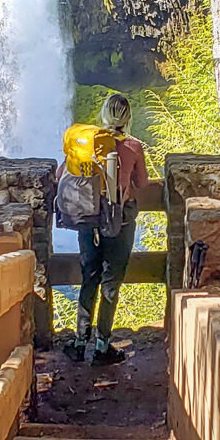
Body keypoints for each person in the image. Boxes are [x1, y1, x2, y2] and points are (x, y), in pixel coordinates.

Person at [59, 94, 148, 364]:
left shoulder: (87, 145)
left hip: (89, 219)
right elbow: (142, 183)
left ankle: (78, 342)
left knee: (90, 277)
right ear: (127, 118)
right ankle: (102, 345)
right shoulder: (133, 147)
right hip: (118, 222)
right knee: (111, 282)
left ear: (103, 115)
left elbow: (63, 172)